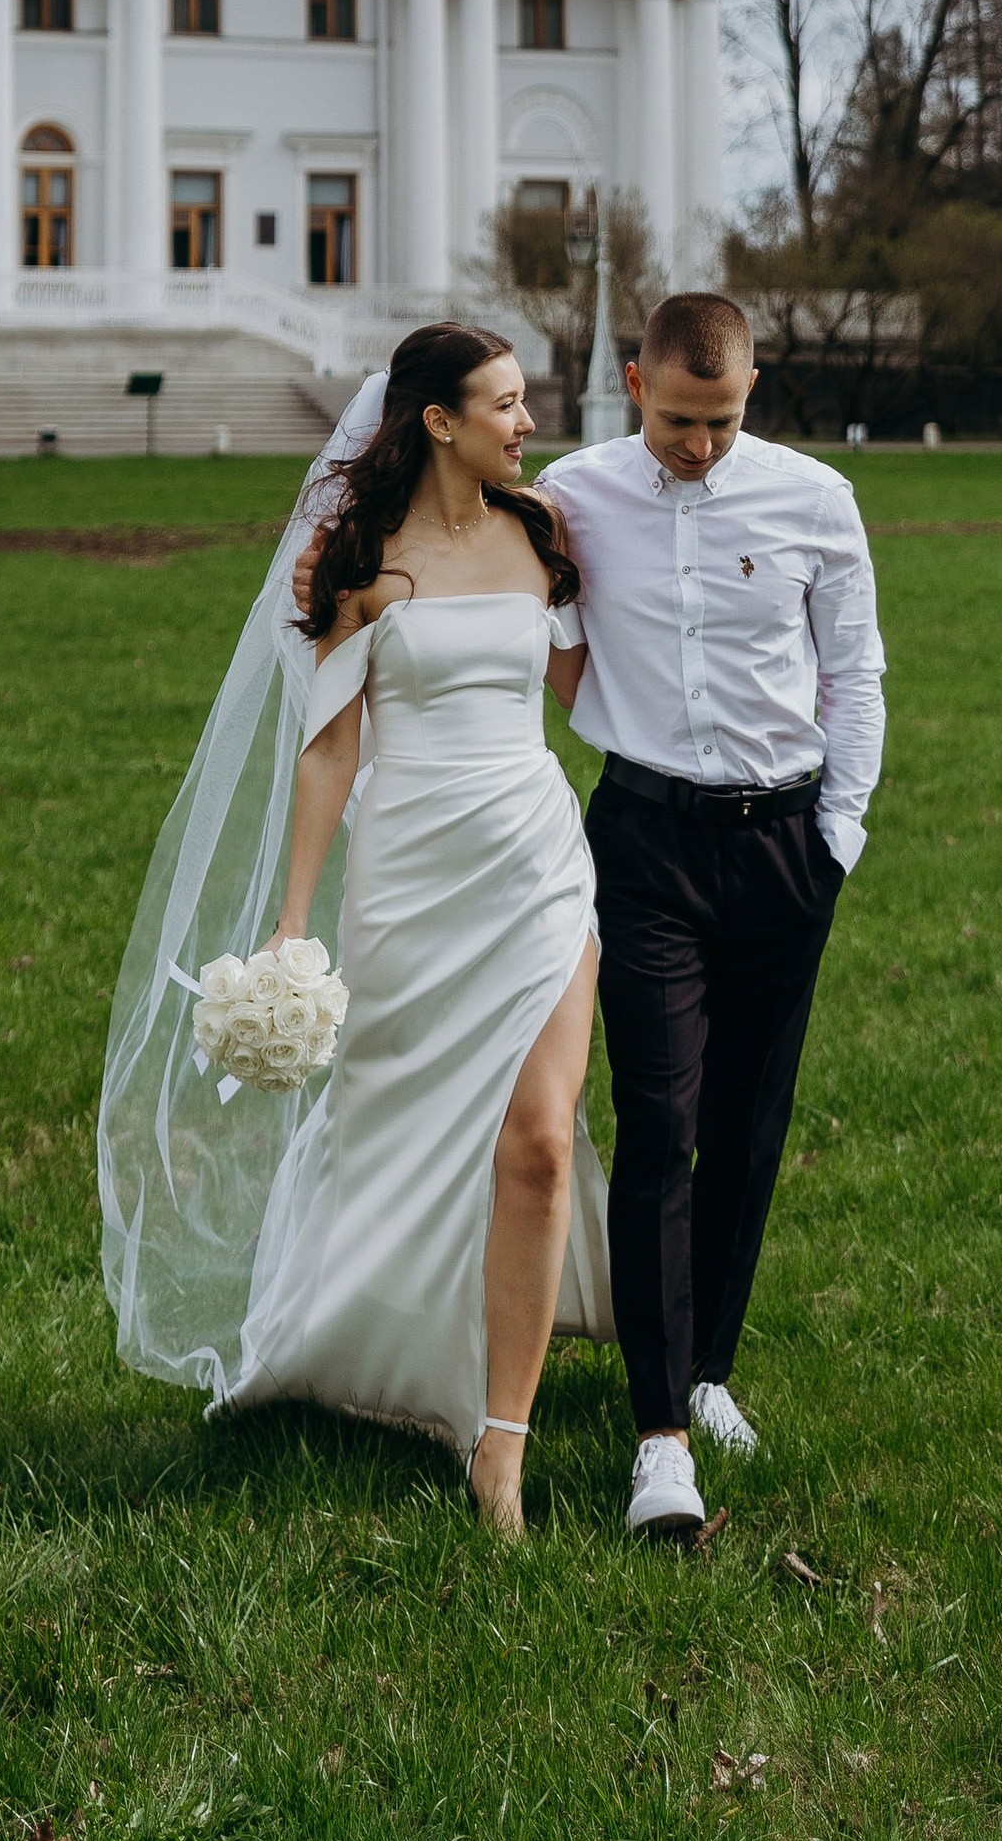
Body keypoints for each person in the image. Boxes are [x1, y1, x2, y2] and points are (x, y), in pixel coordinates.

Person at [97, 324, 615, 1538]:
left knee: (538, 1142)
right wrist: (290, 924)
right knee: (399, 1123)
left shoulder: (539, 533)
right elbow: (329, 746)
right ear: (438, 419)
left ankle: (502, 1441)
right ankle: (352, 1338)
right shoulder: (362, 560)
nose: (526, 420)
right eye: (504, 402)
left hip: (536, 864)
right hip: (410, 876)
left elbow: (593, 694)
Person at [545, 290, 886, 1544]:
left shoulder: (813, 497)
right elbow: (543, 621)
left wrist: (835, 838)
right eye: (681, 420)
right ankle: (658, 1440)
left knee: (748, 1129)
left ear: (754, 389)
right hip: (641, 846)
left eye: (724, 419)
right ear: (635, 383)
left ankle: (705, 1369)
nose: (699, 445)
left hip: (784, 848)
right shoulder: (573, 492)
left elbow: (855, 669)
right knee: (660, 1124)